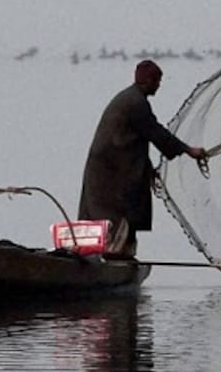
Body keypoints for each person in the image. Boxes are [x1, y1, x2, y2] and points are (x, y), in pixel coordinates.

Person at [78, 59, 207, 259]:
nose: (159, 86)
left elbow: (135, 140)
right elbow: (155, 133)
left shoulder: (131, 99)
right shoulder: (135, 103)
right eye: (157, 81)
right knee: (115, 213)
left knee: (106, 212)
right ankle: (112, 258)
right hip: (109, 171)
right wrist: (190, 151)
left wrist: (147, 169)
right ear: (148, 81)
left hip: (112, 167)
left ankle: (110, 257)